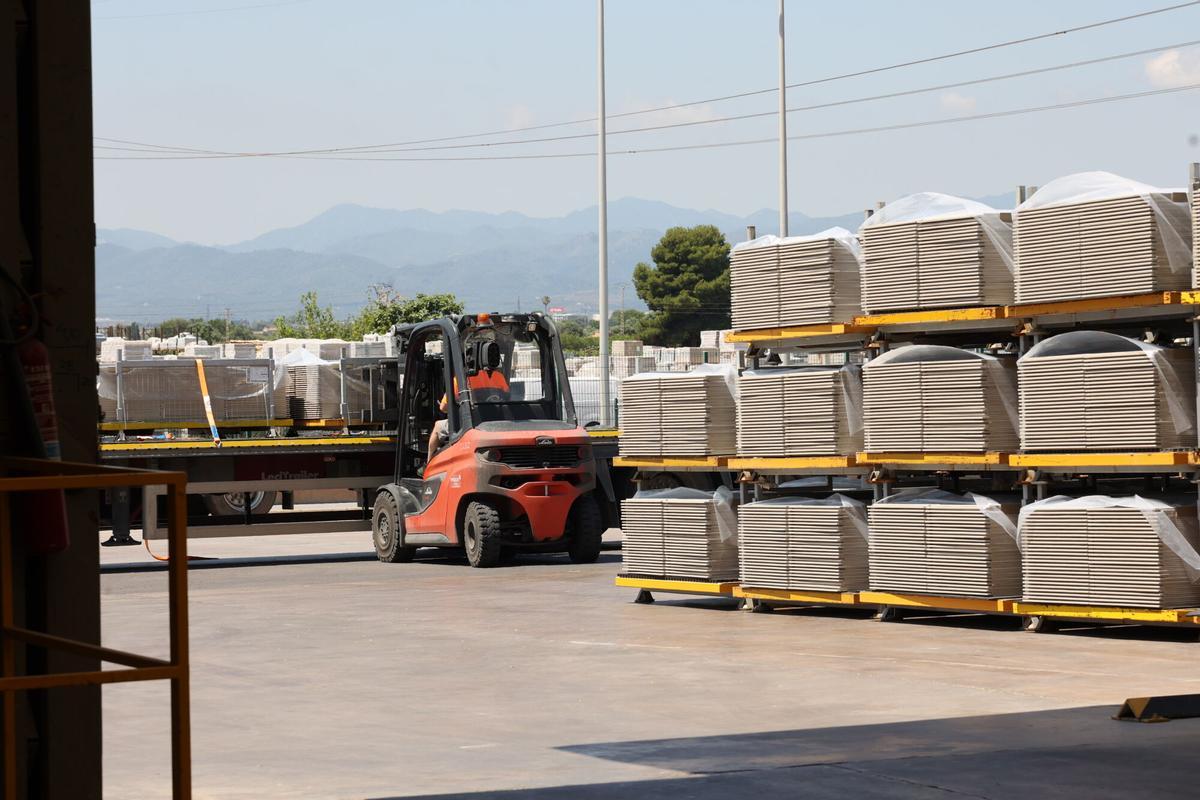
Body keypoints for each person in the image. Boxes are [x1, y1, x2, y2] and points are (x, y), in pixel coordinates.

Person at [425, 351, 512, 467]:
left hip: (471, 422)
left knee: (437, 426)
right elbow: (506, 397)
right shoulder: (498, 376)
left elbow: (443, 408)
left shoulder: (460, 380)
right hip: (496, 418)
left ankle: (429, 464)